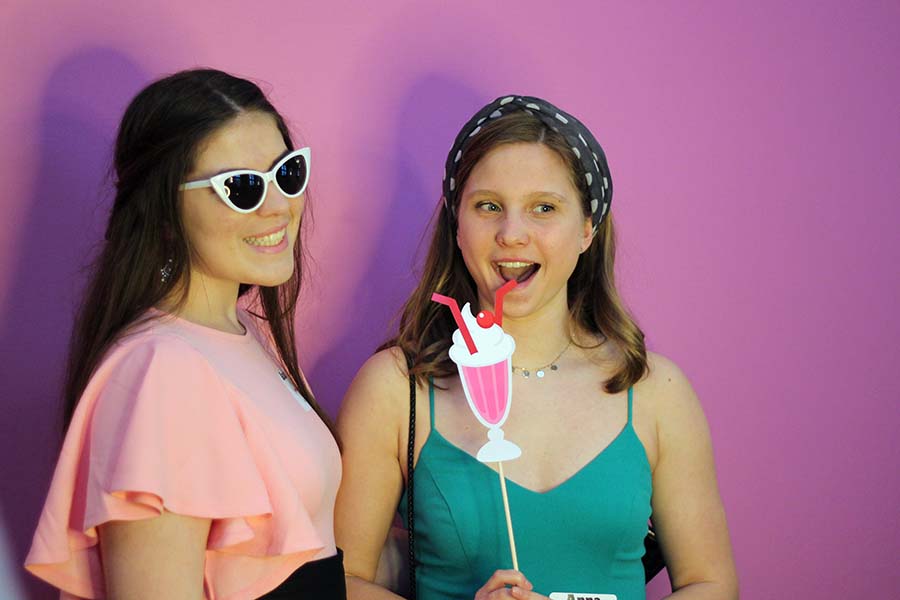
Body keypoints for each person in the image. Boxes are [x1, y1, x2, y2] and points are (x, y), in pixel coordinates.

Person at [335, 95, 738, 599]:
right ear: (457, 225)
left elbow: (710, 583)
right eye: (488, 207)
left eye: (543, 208)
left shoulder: (657, 391)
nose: (512, 234)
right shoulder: (396, 387)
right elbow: (339, 584)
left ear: (588, 228)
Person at [25, 69, 345, 599]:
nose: (278, 206)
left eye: (286, 174)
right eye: (241, 187)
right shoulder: (161, 373)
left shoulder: (241, 335)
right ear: (164, 212)